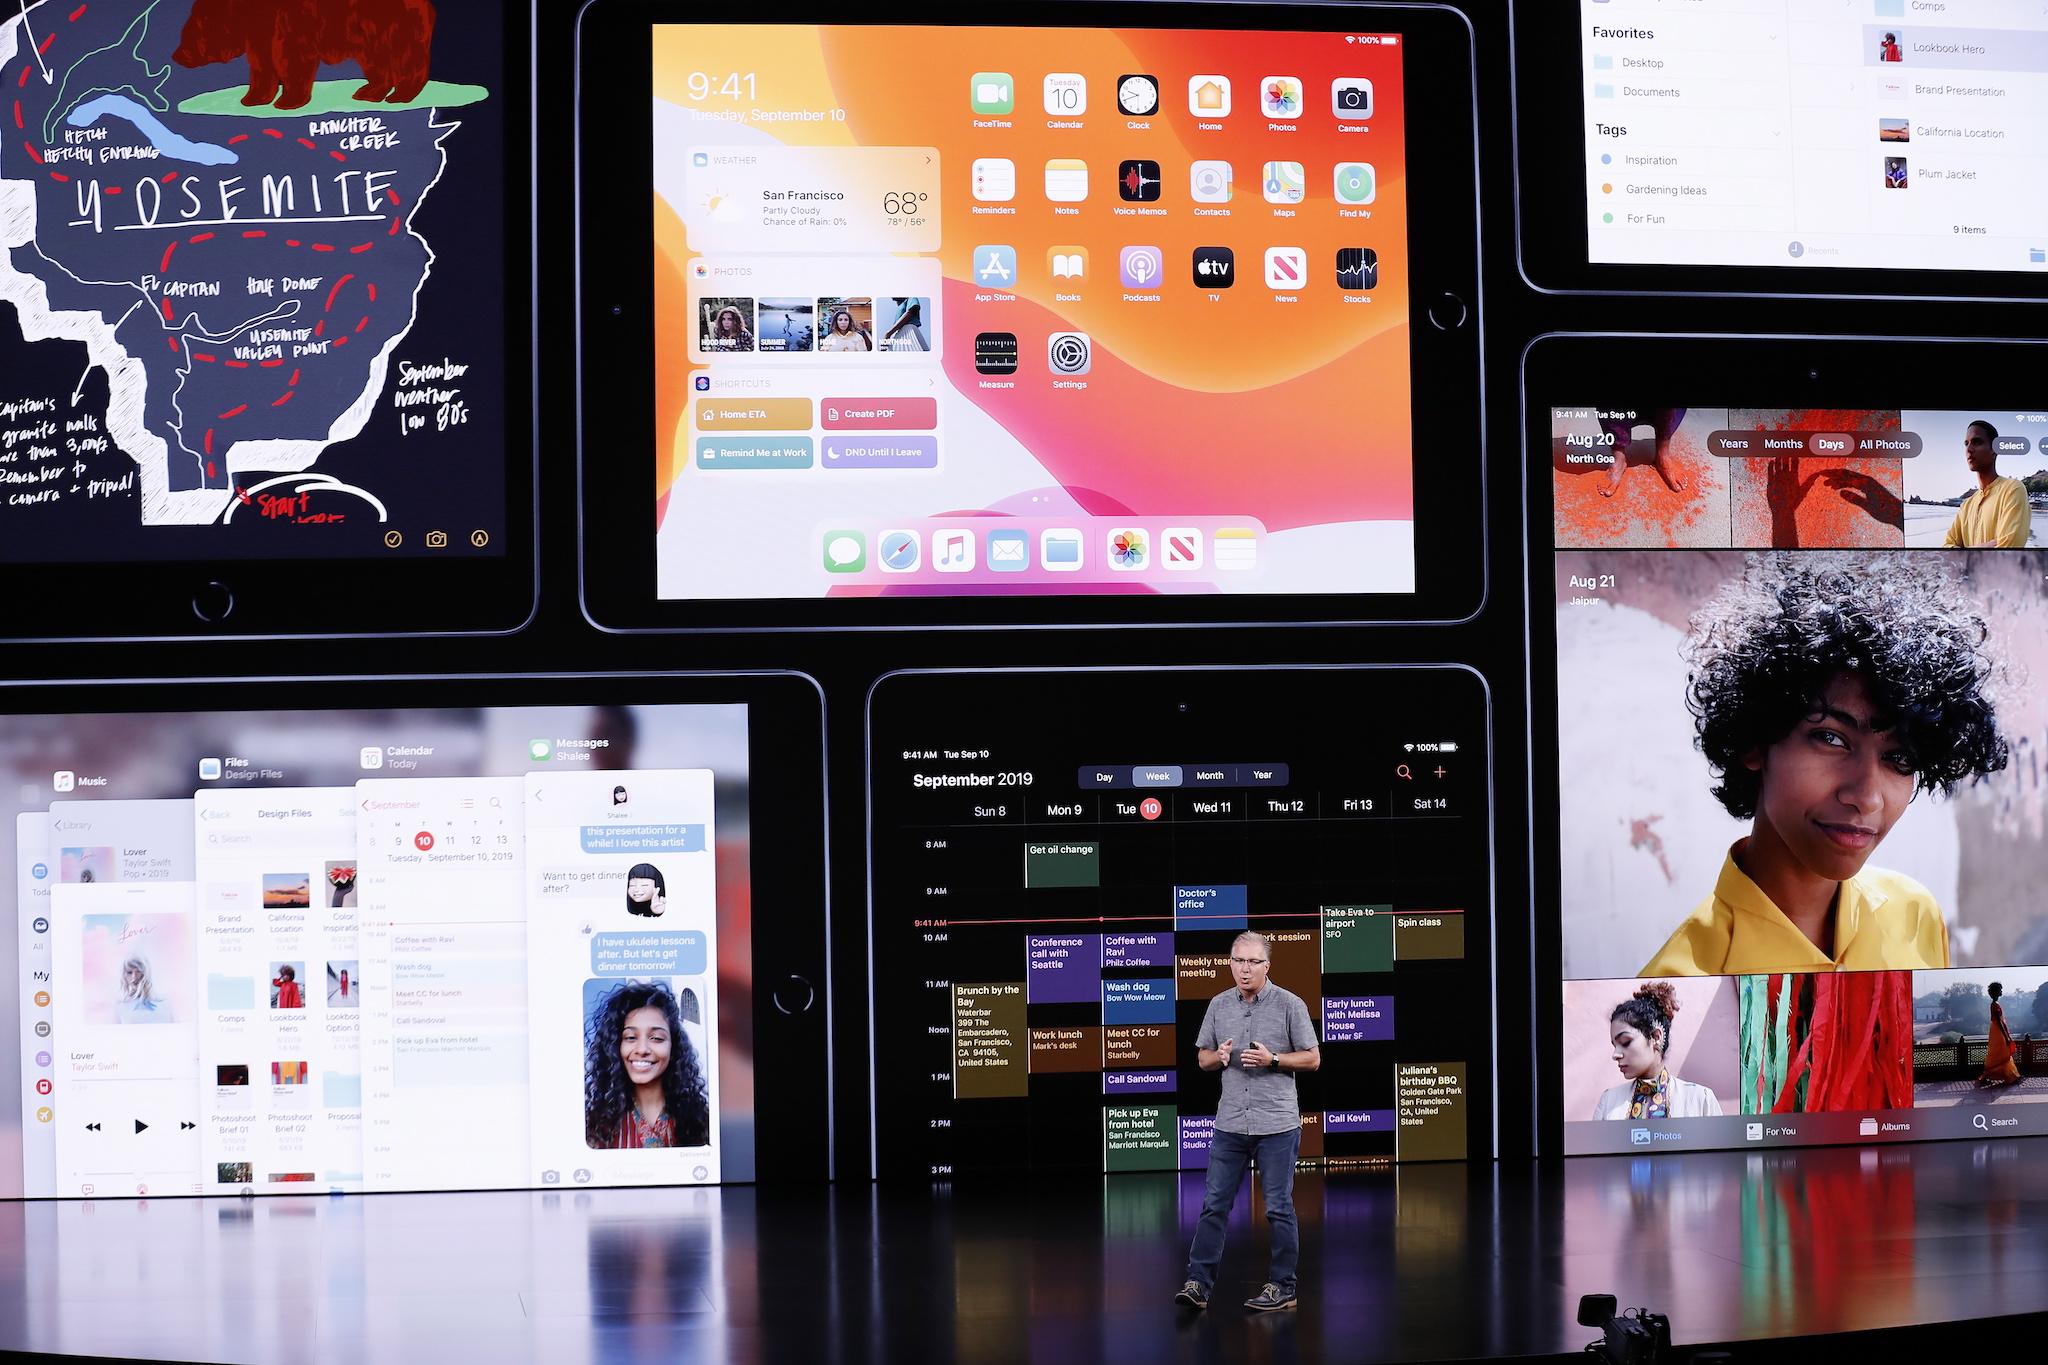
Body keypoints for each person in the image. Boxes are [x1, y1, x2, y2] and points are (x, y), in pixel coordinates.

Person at [1642, 554, 2008, 975]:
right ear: (1756, 742)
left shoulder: (1916, 917)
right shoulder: (1679, 984)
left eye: (1899, 757)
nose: (1868, 798)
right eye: (1831, 738)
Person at [1176, 931, 1320, 1314]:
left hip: (1277, 1125)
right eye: (1238, 960)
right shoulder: (1219, 1005)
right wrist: (1218, 1057)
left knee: (1278, 1207)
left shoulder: (1290, 1004)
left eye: (1253, 961)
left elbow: (1312, 1059)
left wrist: (1274, 1060)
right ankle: (1198, 1285)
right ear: (1230, 963)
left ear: (1266, 966)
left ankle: (1283, 1287)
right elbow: (1202, 1059)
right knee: (1214, 1206)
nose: (1245, 968)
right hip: (1230, 1124)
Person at [584, 980, 709, 1148]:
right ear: (615, 1047)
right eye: (630, 1038)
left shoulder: (702, 1120)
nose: (642, 1049)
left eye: (656, 1038)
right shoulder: (594, 1125)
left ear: (674, 1046)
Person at [1592, 982, 1724, 1118]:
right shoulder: (1609, 1102)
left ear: (1656, 1037)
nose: (1615, 1055)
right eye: (1615, 1045)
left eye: (1625, 1042)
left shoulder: (1700, 1099)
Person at [1941, 420, 2029, 549]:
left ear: (1994, 450)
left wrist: (1962, 553)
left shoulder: (2013, 489)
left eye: (1977, 442)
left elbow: (2008, 549)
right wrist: (1989, 545)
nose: (1969, 449)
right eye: (1966, 444)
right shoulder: (1967, 505)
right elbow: (1946, 547)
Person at [1978, 981, 2022, 1087]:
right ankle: (2008, 1076)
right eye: (2000, 990)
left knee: (1999, 1055)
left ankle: (2010, 1075)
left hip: (1996, 1031)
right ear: (1997, 992)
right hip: (1998, 1032)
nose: (2001, 992)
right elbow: (1998, 1022)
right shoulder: (1995, 1005)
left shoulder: (1994, 1004)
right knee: (2002, 1054)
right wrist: (2006, 1036)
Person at [114, 954, 166, 1023]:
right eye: (129, 972)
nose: (134, 977)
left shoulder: (163, 1003)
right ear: (124, 975)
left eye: (138, 971)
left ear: (145, 973)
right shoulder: (120, 1006)